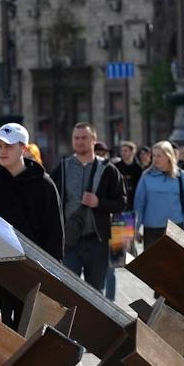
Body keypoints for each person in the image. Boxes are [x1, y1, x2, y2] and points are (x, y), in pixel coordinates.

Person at [0, 124, 63, 329]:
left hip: (32, 275)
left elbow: (54, 235)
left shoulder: (45, 186)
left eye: (9, 146)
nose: (2, 151)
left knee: (29, 338)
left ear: (24, 148)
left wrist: (52, 278)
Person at [50, 124, 126, 293]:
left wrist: (99, 203)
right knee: (68, 291)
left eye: (84, 138)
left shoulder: (108, 170)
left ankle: (93, 321)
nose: (79, 142)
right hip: (69, 242)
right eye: (76, 138)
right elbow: (50, 201)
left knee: (95, 293)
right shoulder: (63, 168)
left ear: (94, 140)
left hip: (97, 242)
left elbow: (122, 202)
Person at [134, 141, 184, 251]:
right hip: (152, 229)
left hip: (175, 228)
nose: (155, 159)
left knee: (175, 266)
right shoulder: (146, 177)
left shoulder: (181, 176)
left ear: (168, 156)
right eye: (154, 155)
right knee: (152, 266)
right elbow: (139, 204)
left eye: (159, 156)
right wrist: (135, 228)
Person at [106, 141, 144, 300]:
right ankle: (118, 260)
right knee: (118, 253)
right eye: (122, 150)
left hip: (131, 210)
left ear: (133, 152)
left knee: (125, 250)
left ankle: (124, 258)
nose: (124, 153)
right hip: (118, 210)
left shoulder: (138, 169)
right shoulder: (116, 167)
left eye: (126, 150)